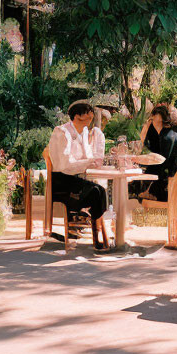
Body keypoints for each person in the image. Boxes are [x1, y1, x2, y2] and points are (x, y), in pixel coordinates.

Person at [47, 101, 110, 250]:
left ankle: (98, 234)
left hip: (73, 178)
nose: (89, 121)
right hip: (61, 182)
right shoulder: (62, 132)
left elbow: (86, 157)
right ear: (76, 117)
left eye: (90, 118)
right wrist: (87, 162)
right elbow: (65, 164)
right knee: (95, 192)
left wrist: (92, 162)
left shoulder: (84, 133)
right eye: (87, 118)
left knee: (100, 190)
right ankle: (97, 237)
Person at [137, 104, 177, 201]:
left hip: (172, 169)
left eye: (160, 122)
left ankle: (151, 193)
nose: (157, 124)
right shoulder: (156, 131)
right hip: (163, 165)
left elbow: (165, 161)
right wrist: (146, 126)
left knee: (150, 173)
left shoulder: (168, 135)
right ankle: (148, 192)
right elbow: (143, 144)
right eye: (155, 121)